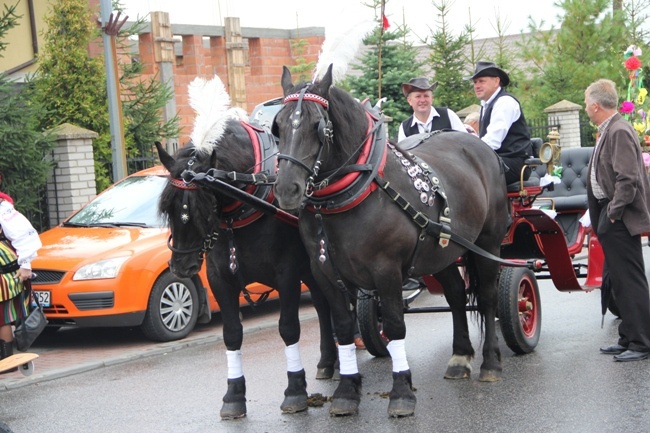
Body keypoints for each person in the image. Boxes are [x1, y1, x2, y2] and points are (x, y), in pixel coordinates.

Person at [583, 79, 650, 362]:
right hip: (611, 217)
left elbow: (628, 178)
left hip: (618, 218)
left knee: (630, 280)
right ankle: (628, 336)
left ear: (596, 105)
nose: (586, 107)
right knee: (618, 281)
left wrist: (613, 212)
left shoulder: (619, 131)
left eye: (586, 102)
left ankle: (641, 343)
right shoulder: (610, 129)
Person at [466, 61, 534, 184]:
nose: (477, 85)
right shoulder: (486, 105)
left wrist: (468, 153)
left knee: (467, 173)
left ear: (496, 81)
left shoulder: (505, 102)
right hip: (497, 160)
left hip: (514, 163)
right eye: (475, 82)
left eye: (482, 81)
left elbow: (493, 141)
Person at [0, 192, 42, 369]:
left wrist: (25, 264)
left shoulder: (3, 209)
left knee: (2, 318)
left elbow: (25, 236)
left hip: (4, 273)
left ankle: (6, 362)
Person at [397, 77, 467, 142]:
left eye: (426, 96)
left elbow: (465, 141)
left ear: (432, 98)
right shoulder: (404, 127)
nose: (422, 100)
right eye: (418, 96)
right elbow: (402, 154)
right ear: (409, 100)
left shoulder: (448, 115)